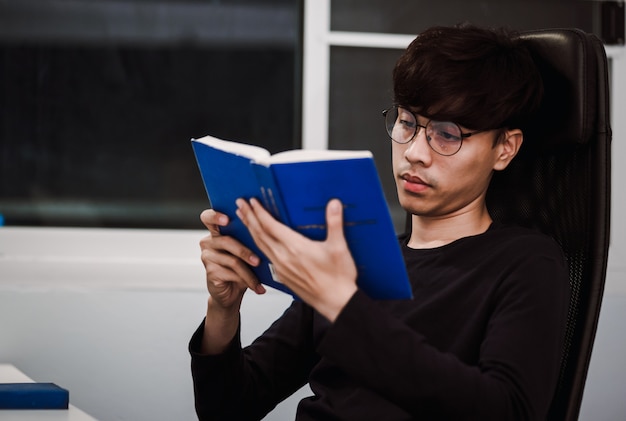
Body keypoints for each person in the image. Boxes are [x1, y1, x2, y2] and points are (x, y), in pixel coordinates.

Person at [189, 24, 570, 420]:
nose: (416, 153)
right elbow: (227, 409)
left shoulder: (526, 262)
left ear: (504, 148)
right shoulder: (354, 258)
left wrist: (342, 304)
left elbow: (506, 411)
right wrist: (223, 309)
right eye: (407, 122)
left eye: (447, 134)